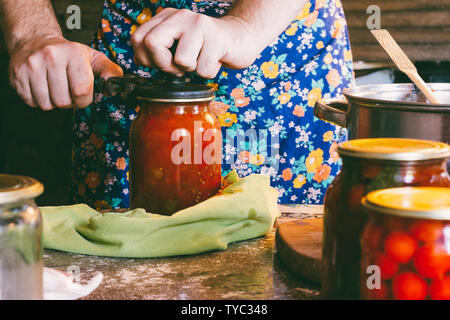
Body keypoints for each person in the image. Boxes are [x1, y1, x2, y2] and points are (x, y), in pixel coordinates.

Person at [0, 0, 354, 210]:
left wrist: (246, 26)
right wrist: (32, 32)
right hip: (134, 49)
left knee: (283, 254)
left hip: (283, 48)